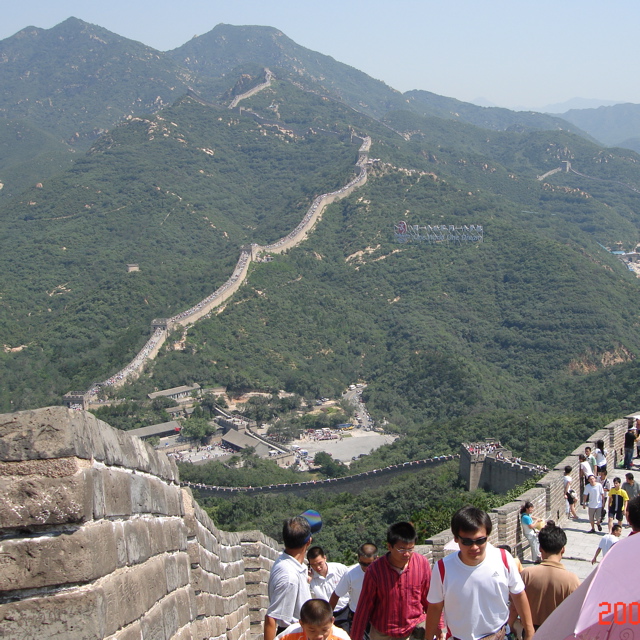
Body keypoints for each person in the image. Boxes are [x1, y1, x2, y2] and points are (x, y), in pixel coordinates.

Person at [424, 505, 534, 640]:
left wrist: (530, 632)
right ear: (456, 538)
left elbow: (518, 595)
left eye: (480, 540)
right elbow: (435, 607)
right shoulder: (443, 568)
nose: (474, 547)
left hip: (498, 636)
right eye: (467, 541)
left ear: (487, 536)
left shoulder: (503, 559)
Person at [350, 522, 432, 640]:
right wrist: (356, 637)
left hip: (413, 630)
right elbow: (364, 608)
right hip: (384, 633)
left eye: (410, 549)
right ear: (389, 546)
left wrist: (438, 626)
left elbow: (430, 598)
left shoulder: (421, 564)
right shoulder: (375, 571)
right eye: (401, 549)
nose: (406, 554)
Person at [510, 523, 580, 630]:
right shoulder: (572, 580)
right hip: (558, 632)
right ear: (563, 549)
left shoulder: (527, 574)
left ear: (540, 548)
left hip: (531, 631)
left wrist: (509, 628)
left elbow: (515, 607)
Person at [265, 516, 314, 640]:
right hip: (293, 634)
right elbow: (271, 618)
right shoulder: (289, 577)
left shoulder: (287, 562)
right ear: (308, 542)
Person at [329, 543, 378, 634]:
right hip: (358, 615)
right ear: (358, 559)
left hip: (379, 615)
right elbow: (336, 595)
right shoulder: (350, 573)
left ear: (376, 559)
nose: (365, 567)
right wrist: (327, 616)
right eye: (362, 563)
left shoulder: (383, 572)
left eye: (369, 564)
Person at [307, 547, 349, 630]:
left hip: (344, 611)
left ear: (325, 558)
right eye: (313, 565)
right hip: (322, 615)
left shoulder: (340, 569)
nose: (318, 567)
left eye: (320, 563)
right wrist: (308, 582)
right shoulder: (309, 577)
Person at [275, 598, 350, 640]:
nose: (319, 636)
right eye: (312, 630)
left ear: (332, 621)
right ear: (301, 624)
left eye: (324, 630)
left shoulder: (341, 637)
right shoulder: (290, 635)